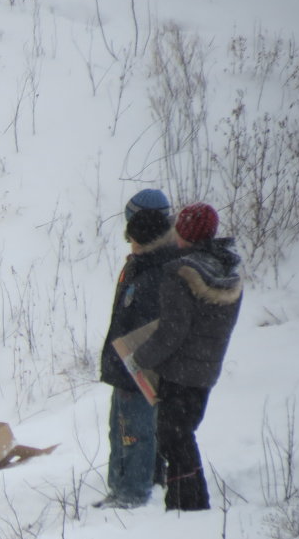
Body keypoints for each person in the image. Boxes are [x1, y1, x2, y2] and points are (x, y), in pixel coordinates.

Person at [132, 203, 242, 511]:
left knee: (172, 438)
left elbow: (172, 331)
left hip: (179, 372)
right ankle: (186, 501)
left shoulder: (181, 274)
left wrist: (141, 357)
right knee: (182, 435)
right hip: (206, 370)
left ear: (185, 233)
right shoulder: (226, 272)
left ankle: (188, 504)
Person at [94, 190, 181, 509]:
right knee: (123, 428)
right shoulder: (145, 262)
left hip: (140, 366)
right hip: (128, 364)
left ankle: (131, 493)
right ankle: (130, 486)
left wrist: (136, 364)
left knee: (133, 431)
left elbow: (148, 324)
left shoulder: (159, 268)